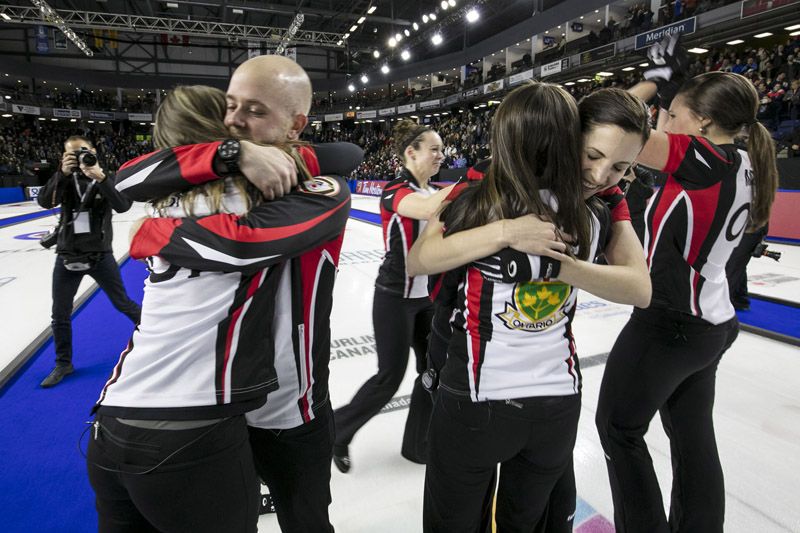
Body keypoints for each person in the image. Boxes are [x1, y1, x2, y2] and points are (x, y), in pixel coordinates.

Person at [87, 85, 352, 532]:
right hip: (207, 414)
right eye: (233, 112)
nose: (242, 121)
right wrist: (236, 154)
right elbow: (240, 239)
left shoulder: (169, 202)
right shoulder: (256, 196)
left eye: (253, 110)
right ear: (221, 130)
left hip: (123, 413)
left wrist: (155, 234)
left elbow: (344, 153)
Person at [406, 82, 651, 532]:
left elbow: (418, 258)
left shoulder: (481, 196)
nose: (600, 177)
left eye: (620, 166)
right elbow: (639, 287)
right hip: (557, 398)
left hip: (478, 396)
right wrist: (514, 239)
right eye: (592, 156)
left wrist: (556, 266)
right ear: (566, 137)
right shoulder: (595, 213)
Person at [595, 62, 778, 531]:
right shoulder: (746, 160)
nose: (663, 123)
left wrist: (655, 78)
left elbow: (612, 125)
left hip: (670, 324)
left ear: (702, 124)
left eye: (671, 115)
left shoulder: (704, 159)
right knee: (693, 438)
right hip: (712, 324)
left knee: (619, 429)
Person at [332, 119, 456, 472]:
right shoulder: (394, 190)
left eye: (442, 149)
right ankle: (338, 431)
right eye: (434, 149)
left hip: (426, 299)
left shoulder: (434, 191)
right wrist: (475, 180)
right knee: (389, 377)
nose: (440, 155)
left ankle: (418, 444)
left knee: (434, 370)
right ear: (410, 153)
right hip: (394, 296)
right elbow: (427, 210)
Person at [37, 135, 141, 388]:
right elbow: (44, 201)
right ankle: (64, 363)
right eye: (72, 153)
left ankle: (159, 339)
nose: (79, 156)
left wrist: (101, 178)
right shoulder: (64, 177)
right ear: (64, 156)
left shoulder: (104, 176)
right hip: (67, 255)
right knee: (59, 314)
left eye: (83, 151)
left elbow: (123, 206)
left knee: (123, 303)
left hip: (100, 255)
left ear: (93, 151)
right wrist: (61, 173)